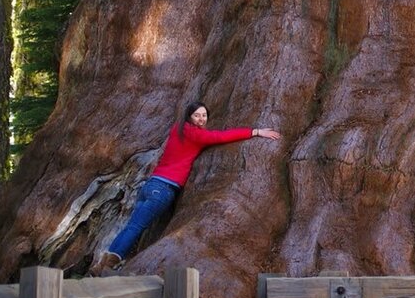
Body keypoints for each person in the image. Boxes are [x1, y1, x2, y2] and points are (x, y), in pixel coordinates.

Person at [89, 102, 281, 275]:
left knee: (131, 226)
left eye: (204, 115)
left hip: (150, 185)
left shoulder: (177, 130)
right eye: (197, 115)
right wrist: (255, 132)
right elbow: (221, 136)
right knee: (137, 227)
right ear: (189, 117)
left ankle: (103, 264)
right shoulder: (196, 135)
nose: (201, 119)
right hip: (163, 189)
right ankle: (110, 264)